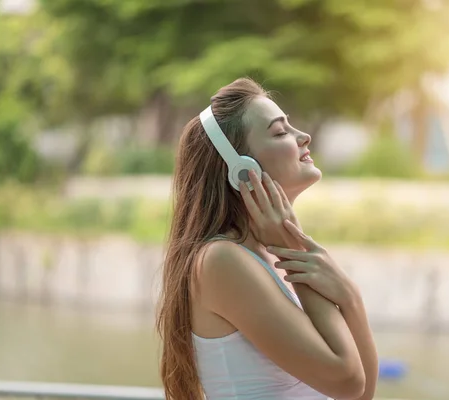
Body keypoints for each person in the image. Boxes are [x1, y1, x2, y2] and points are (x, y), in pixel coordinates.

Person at [156, 77, 378, 400]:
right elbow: (347, 382)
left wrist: (351, 298)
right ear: (242, 170)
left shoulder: (268, 257)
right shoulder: (222, 261)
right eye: (280, 132)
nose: (304, 137)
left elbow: (361, 395)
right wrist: (290, 245)